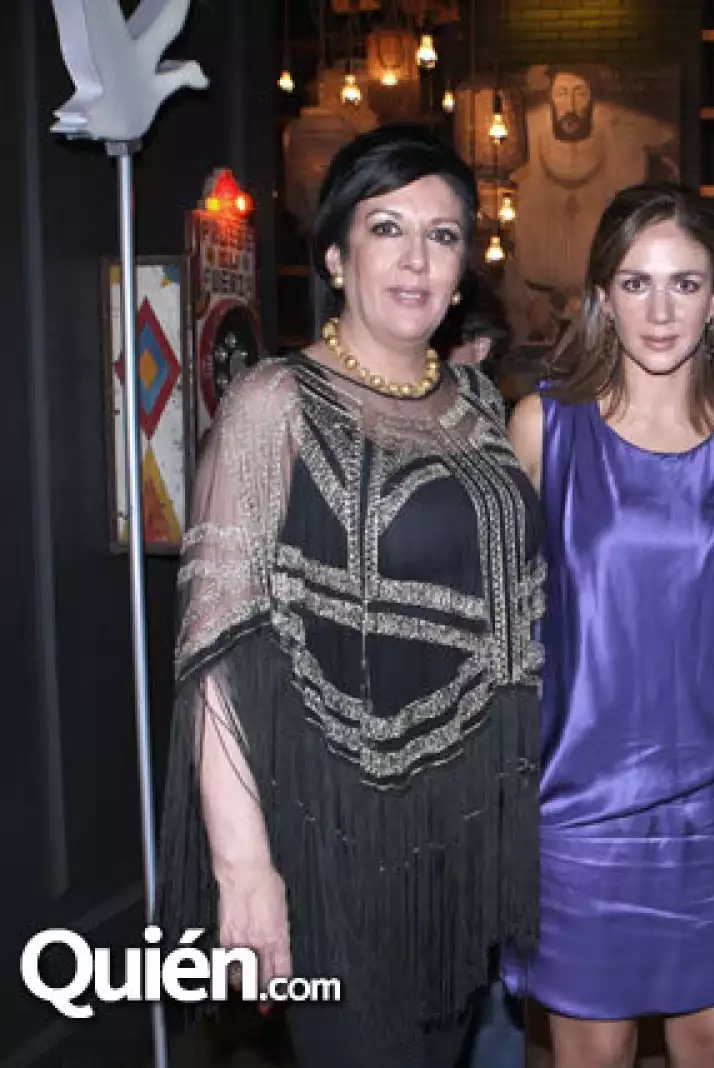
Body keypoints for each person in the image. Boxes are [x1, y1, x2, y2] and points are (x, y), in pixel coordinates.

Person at [156, 124, 546, 1068]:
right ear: (336, 254)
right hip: (333, 836)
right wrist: (244, 869)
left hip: (460, 834)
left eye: (443, 235)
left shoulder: (479, 405)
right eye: (387, 228)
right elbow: (215, 646)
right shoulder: (271, 401)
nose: (417, 259)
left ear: (464, 266)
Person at [503, 182, 714, 1068]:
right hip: (580, 812)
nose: (660, 311)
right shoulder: (544, 429)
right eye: (635, 283)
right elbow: (508, 632)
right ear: (600, 297)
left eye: (685, 284)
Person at [507, 63, 679, 347]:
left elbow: (665, 136)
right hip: (536, 297)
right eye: (562, 93)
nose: (571, 104)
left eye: (580, 93)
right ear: (551, 98)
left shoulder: (619, 131)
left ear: (592, 98)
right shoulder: (522, 132)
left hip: (605, 299)